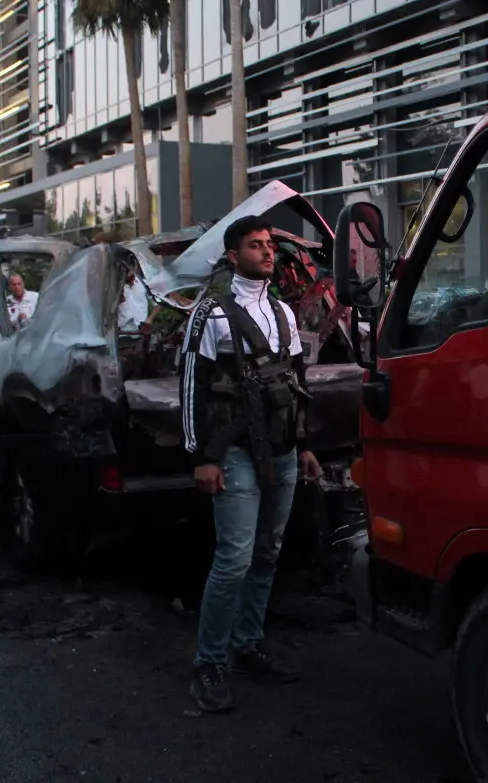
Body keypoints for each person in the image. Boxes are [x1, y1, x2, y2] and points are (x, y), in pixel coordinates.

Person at [179, 215, 321, 714]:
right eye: (256, 246)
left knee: (267, 553)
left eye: (269, 246)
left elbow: (296, 385)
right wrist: (202, 456)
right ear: (234, 255)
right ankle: (209, 662)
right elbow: (192, 386)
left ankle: (247, 642)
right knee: (234, 559)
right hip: (235, 452)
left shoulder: (282, 312)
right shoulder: (211, 314)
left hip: (282, 451)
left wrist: (304, 446)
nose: (268, 253)